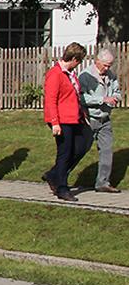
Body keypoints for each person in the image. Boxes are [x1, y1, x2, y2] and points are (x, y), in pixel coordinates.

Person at [42, 42, 90, 202]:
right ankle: (61, 187)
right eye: (79, 61)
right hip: (62, 119)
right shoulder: (55, 74)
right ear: (74, 58)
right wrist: (55, 122)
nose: (78, 64)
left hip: (75, 118)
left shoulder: (69, 74)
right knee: (65, 152)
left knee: (82, 145)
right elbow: (50, 99)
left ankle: (54, 174)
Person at [78, 49, 122, 193]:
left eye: (110, 65)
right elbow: (81, 98)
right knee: (79, 150)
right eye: (105, 65)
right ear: (97, 61)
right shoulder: (85, 76)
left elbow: (117, 91)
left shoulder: (111, 76)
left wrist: (115, 97)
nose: (107, 68)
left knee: (107, 150)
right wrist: (101, 99)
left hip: (105, 118)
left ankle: (102, 183)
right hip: (90, 118)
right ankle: (58, 177)